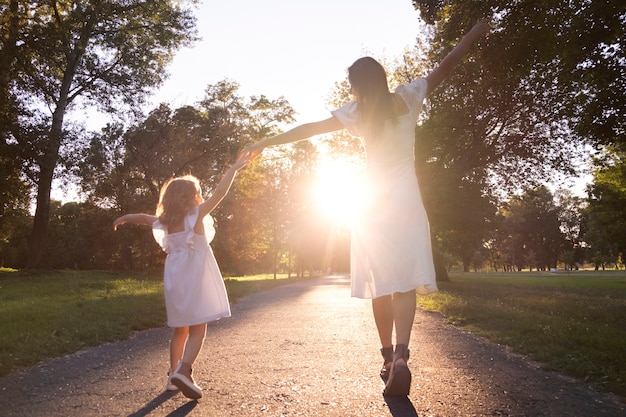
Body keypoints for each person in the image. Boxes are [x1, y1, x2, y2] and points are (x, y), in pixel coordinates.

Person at [244, 20, 490, 397]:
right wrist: (475, 33)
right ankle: (404, 354)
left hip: (372, 204)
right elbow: (448, 63)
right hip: (406, 200)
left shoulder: (358, 114)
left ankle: (388, 358)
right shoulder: (408, 98)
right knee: (404, 281)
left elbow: (309, 129)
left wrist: (266, 140)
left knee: (380, 282)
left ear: (358, 85)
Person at [112, 152, 249, 400]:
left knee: (180, 329)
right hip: (195, 276)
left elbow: (143, 218)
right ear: (191, 197)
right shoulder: (195, 215)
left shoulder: (164, 222)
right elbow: (220, 193)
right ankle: (184, 370)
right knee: (199, 327)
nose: (201, 196)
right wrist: (234, 169)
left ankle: (172, 378)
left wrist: (123, 218)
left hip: (175, 278)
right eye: (197, 192)